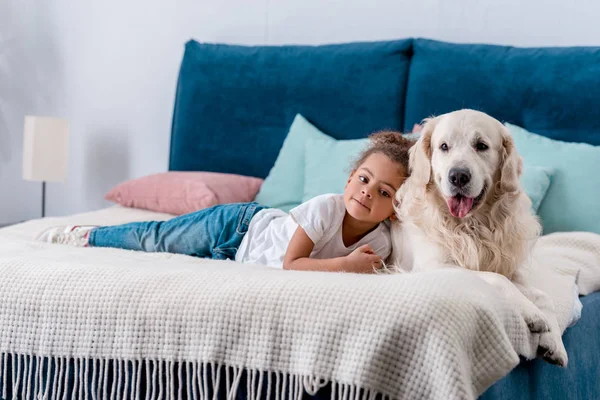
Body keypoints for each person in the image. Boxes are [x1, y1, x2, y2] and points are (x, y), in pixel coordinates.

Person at [37, 131, 412, 274]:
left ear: (396, 209)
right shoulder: (326, 208)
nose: (367, 192)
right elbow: (292, 263)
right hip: (237, 226)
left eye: (383, 192)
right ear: (349, 180)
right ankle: (87, 236)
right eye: (363, 179)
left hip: (234, 258)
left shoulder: (380, 242)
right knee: (157, 238)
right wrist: (346, 265)